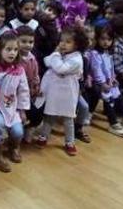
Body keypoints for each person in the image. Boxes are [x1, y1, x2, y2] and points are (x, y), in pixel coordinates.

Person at [34, 28, 88, 156]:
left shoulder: (77, 59)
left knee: (68, 119)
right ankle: (43, 137)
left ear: (77, 44)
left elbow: (60, 68)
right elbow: (47, 61)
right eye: (62, 41)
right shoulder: (61, 54)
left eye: (68, 42)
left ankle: (69, 142)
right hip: (54, 92)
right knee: (49, 115)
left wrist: (56, 55)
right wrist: (56, 54)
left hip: (67, 93)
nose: (63, 44)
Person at [0, 32, 30, 171]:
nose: (12, 53)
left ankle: (14, 148)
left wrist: (22, 110)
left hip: (12, 107)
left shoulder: (19, 70)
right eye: (8, 49)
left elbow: (23, 91)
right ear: (0, 50)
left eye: (15, 50)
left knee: (18, 132)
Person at [88, 28, 123, 138]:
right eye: (103, 39)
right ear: (97, 39)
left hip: (108, 81)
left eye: (109, 39)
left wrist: (113, 78)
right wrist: (103, 83)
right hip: (97, 83)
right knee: (108, 98)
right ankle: (113, 123)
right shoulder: (95, 53)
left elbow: (111, 68)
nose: (106, 42)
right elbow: (96, 70)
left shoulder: (108, 53)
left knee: (118, 95)